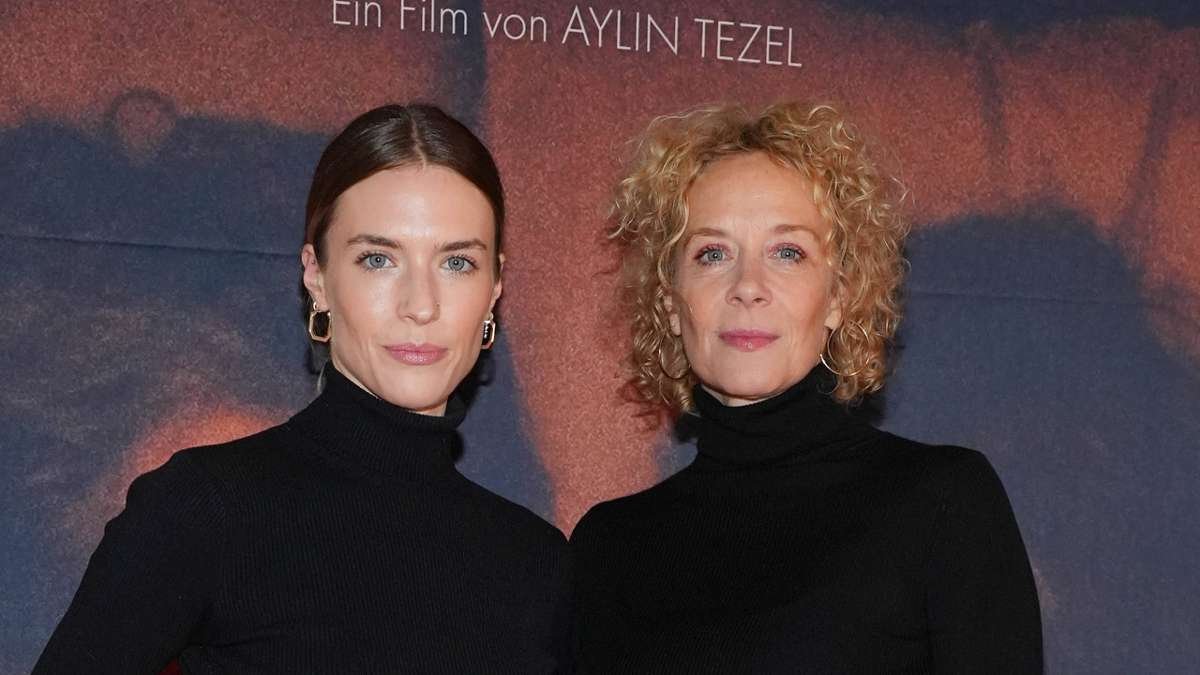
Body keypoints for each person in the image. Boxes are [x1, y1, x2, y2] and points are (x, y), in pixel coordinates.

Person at [34, 104, 572, 673]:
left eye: (457, 263)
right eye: (378, 259)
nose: (421, 305)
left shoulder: (536, 563)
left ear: (495, 289)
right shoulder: (205, 509)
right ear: (317, 277)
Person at [571, 102, 1043, 673]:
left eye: (787, 253)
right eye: (712, 254)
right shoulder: (609, 547)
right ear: (671, 302)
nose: (748, 286)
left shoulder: (940, 504)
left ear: (839, 296)